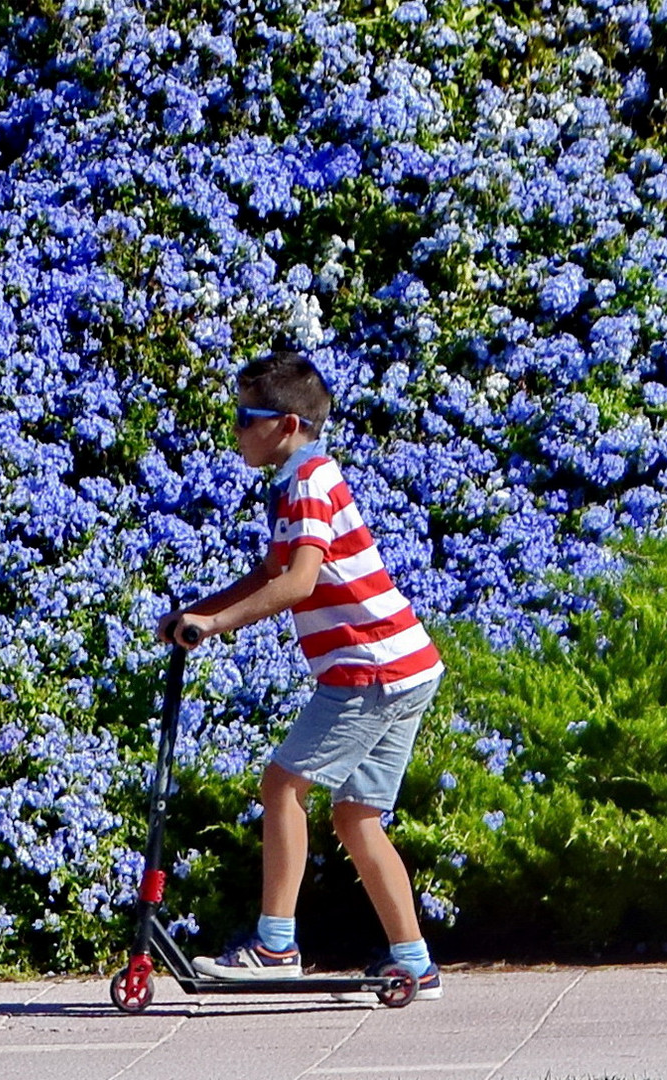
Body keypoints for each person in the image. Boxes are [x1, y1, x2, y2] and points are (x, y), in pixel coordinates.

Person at [159, 351, 446, 1001]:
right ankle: (413, 961)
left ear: (285, 424)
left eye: (243, 418)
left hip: (368, 665)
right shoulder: (296, 480)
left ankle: (274, 945)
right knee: (357, 817)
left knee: (282, 786)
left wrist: (216, 626)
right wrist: (198, 612)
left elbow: (298, 582)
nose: (233, 430)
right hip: (404, 663)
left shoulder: (308, 481)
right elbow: (268, 573)